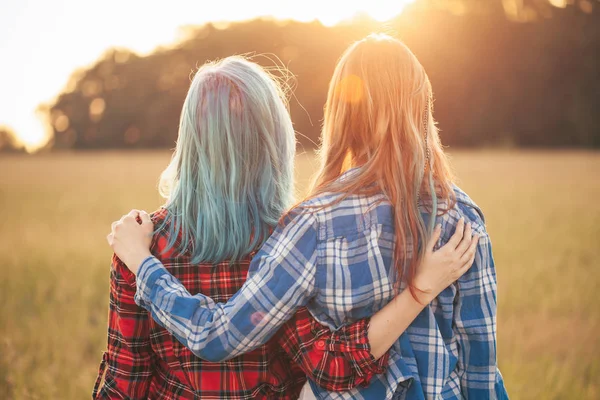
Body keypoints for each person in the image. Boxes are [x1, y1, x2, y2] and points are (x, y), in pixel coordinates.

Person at [95, 55, 476, 399]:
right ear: (273, 141)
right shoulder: (293, 238)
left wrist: (140, 261)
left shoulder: (141, 244)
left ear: (191, 144)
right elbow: (330, 365)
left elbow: (125, 379)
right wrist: (418, 291)